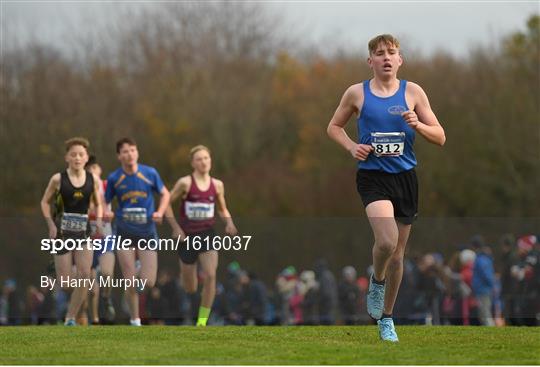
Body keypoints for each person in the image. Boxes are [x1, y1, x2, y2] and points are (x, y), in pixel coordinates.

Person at [327, 34, 445, 341]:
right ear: (371, 61)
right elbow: (333, 127)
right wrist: (352, 147)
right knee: (386, 242)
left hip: (405, 178)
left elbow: (440, 136)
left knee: (398, 255)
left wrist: (418, 125)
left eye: (391, 53)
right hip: (373, 177)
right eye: (380, 54)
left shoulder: (414, 92)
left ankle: (386, 319)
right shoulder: (356, 93)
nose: (386, 58)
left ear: (400, 59)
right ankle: (376, 281)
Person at [166, 145, 238, 326]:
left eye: (206, 158)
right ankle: (191, 306)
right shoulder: (185, 183)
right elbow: (166, 202)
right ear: (192, 163)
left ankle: (202, 321)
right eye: (199, 159)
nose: (203, 162)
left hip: (207, 234)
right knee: (190, 287)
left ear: (211, 160)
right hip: (186, 237)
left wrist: (229, 222)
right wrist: (176, 227)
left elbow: (222, 208)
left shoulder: (217, 185)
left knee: (211, 275)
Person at [105, 137, 170, 326]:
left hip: (147, 232)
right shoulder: (114, 178)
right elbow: (105, 199)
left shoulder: (150, 173)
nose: (129, 154)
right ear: (119, 156)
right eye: (125, 151)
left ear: (137, 152)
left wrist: (160, 211)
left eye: (132, 150)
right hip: (124, 232)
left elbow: (165, 193)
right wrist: (107, 211)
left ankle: (142, 270)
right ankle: (135, 320)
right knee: (129, 278)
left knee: (148, 282)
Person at [40, 137, 103, 325]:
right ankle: (60, 268)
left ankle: (70, 318)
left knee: (85, 275)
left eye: (81, 155)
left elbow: (98, 204)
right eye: (73, 154)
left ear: (86, 158)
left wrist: (98, 220)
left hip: (83, 233)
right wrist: (50, 224)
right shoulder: (58, 179)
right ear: (66, 157)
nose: (77, 158)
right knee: (66, 284)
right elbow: (44, 202)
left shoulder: (93, 180)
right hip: (61, 233)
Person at [85, 155, 116, 324]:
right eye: (88, 170)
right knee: (91, 289)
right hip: (88, 239)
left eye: (94, 169)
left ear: (100, 170)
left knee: (107, 273)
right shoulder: (81, 190)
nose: (92, 173)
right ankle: (95, 319)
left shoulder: (107, 186)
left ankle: (107, 297)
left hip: (106, 236)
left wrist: (112, 213)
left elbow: (119, 204)